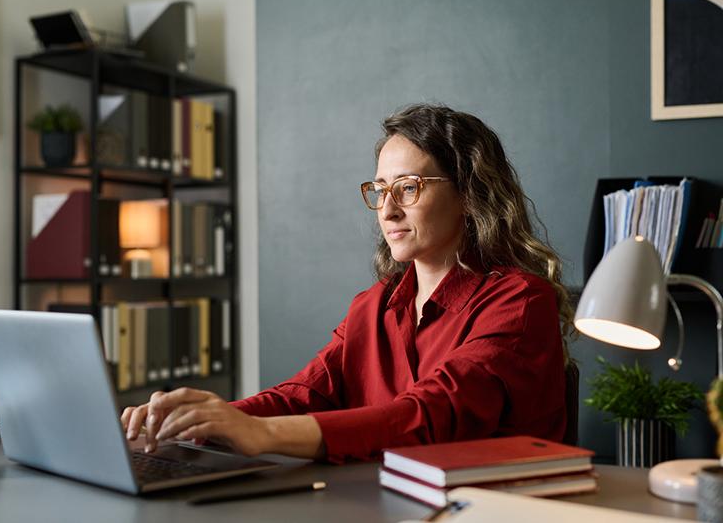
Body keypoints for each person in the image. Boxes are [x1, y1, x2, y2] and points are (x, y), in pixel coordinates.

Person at [121, 103, 573, 464]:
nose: (388, 210)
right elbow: (305, 394)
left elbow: (428, 417)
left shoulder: (520, 301)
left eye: (409, 187)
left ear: (468, 195)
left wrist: (259, 433)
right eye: (379, 190)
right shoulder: (374, 306)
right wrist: (203, 420)